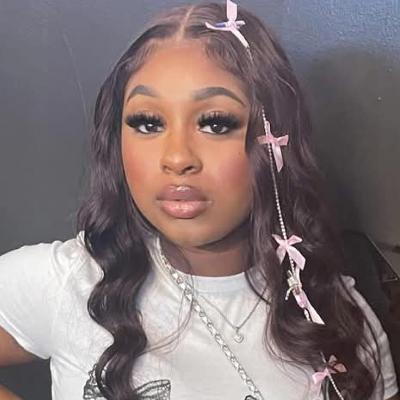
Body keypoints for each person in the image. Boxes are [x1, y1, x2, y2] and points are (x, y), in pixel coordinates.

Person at [0, 1, 398, 399]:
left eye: (215, 123)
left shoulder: (341, 324)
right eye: (148, 123)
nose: (177, 158)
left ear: (274, 142)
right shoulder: (69, 282)